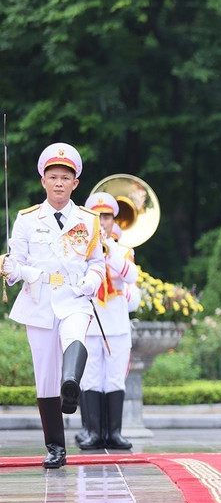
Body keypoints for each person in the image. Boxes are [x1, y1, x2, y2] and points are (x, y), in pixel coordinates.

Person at [0, 143, 105, 468]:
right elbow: (16, 265)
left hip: (74, 297)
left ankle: (70, 385)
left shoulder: (88, 220)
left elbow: (97, 263)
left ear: (75, 184)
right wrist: (9, 268)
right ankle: (55, 447)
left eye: (65, 177)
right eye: (53, 177)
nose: (59, 183)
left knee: (76, 337)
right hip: (40, 300)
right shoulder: (27, 219)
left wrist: (92, 281)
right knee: (45, 376)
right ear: (43, 181)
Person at [76, 192, 141, 450]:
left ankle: (114, 433)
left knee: (114, 379)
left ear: (114, 220)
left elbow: (131, 277)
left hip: (116, 324)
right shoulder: (79, 249)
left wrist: (109, 249)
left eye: (107, 217)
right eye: (98, 217)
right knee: (91, 379)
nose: (103, 222)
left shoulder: (123, 250)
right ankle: (93, 432)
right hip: (90, 323)